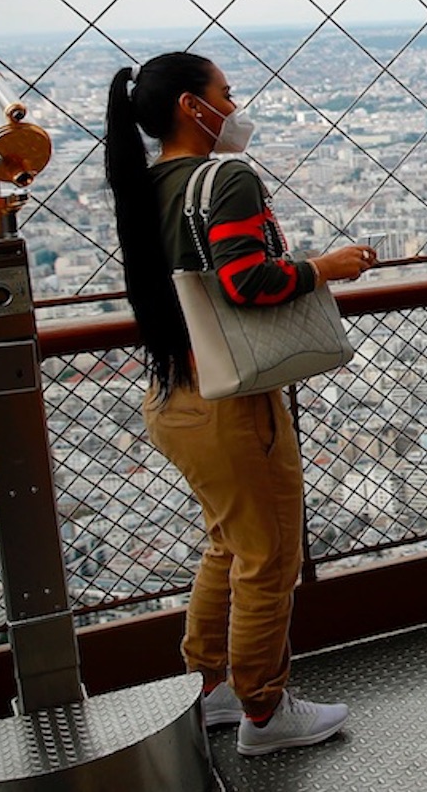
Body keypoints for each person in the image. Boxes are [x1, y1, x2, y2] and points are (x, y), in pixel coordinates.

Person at [105, 52, 378, 751]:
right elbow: (246, 281)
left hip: (177, 396)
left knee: (228, 547)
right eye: (225, 92)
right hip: (232, 405)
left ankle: (212, 688)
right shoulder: (223, 177)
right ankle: (264, 708)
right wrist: (326, 267)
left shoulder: (150, 182)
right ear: (193, 108)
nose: (235, 103)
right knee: (269, 557)